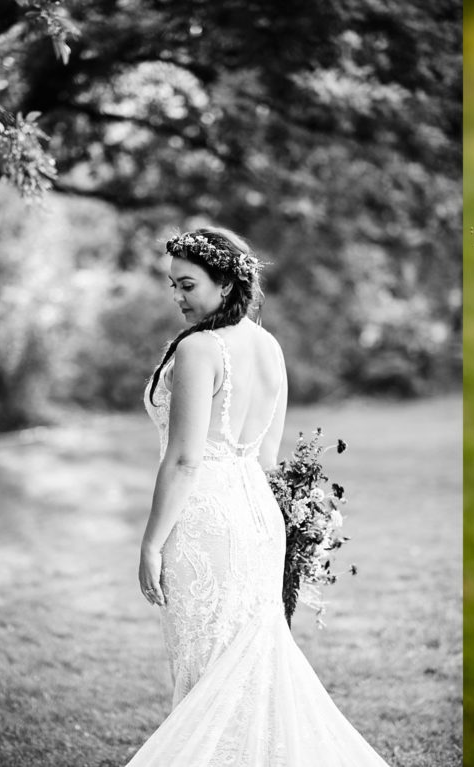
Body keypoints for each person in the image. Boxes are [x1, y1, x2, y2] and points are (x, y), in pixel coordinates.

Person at [129, 227, 391, 765]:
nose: (177, 297)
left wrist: (151, 543)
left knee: (207, 675)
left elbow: (185, 460)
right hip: (258, 520)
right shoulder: (269, 347)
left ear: (225, 284)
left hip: (204, 522)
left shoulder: (200, 348)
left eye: (187, 285)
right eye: (173, 285)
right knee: (250, 670)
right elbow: (267, 459)